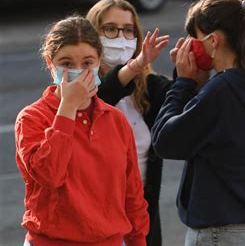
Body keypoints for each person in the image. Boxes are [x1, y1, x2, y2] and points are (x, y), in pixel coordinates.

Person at [151, 0, 245, 245]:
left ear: (213, 40)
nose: (189, 46)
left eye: (194, 38)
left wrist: (182, 83)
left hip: (218, 234)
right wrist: (198, 87)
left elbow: (164, 141)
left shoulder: (222, 90)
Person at [15, 16, 149, 246]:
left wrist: (138, 240)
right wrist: (67, 108)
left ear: (98, 63)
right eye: (66, 63)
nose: (78, 71)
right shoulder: (32, 118)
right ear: (50, 63)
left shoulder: (115, 119)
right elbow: (50, 175)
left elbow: (132, 193)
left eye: (87, 63)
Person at [86, 0, 178, 246]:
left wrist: (189, 70)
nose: (121, 38)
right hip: (95, 221)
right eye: (110, 29)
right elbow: (102, 98)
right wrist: (135, 66)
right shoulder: (80, 86)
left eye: (128, 30)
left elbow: (183, 101)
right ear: (93, 35)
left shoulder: (148, 86)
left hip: (141, 219)